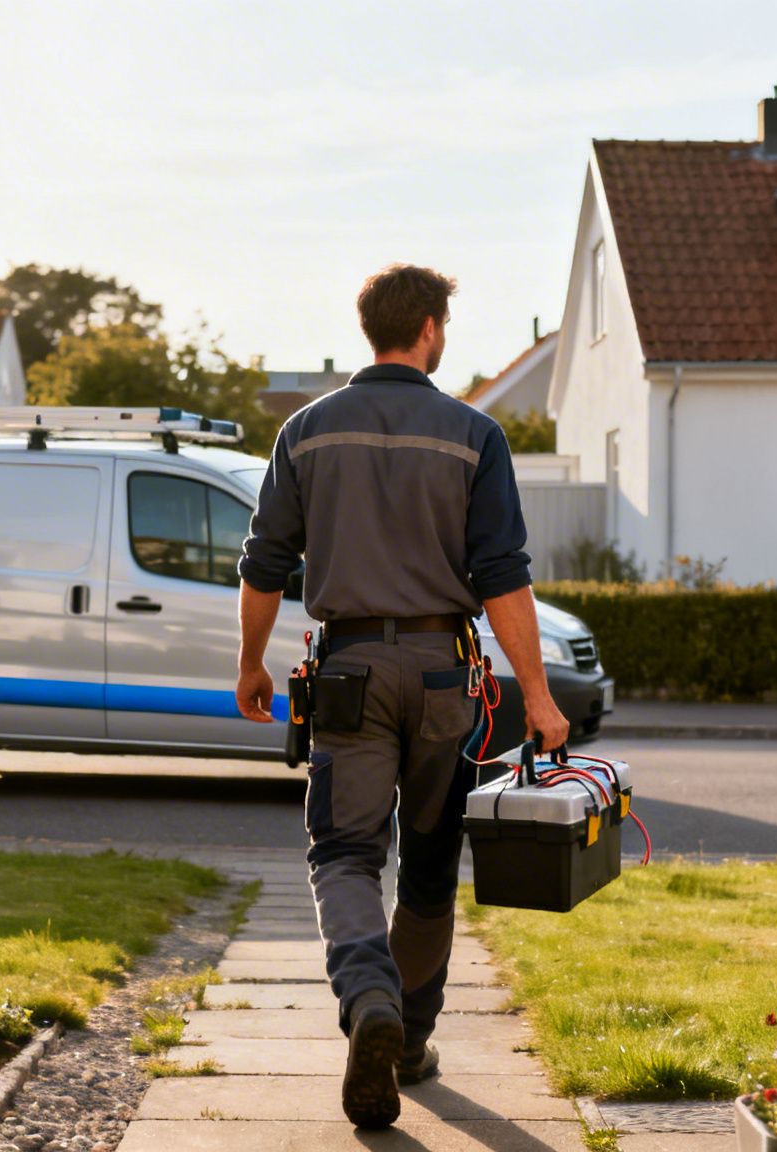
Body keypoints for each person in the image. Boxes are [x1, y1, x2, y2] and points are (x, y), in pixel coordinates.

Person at [234, 263, 571, 1129]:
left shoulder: (306, 432)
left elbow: (264, 564)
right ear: (427, 328)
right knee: (426, 870)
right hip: (443, 676)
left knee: (344, 857)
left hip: (346, 674)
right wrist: (536, 695)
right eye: (444, 325)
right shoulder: (473, 434)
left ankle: (369, 1002)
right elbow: (502, 576)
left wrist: (251, 665)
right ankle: (410, 1040)